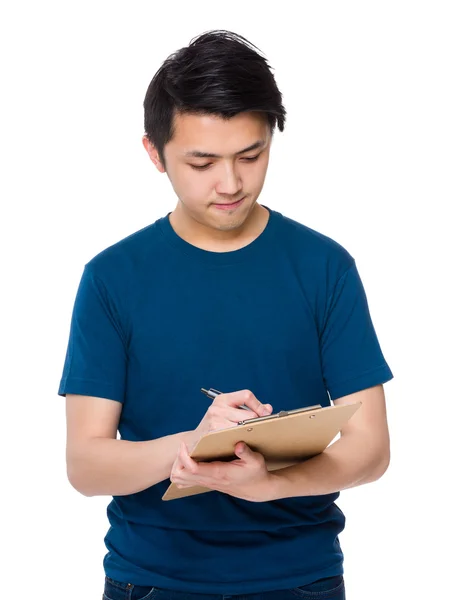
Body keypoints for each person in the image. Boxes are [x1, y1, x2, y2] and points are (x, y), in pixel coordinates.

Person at [59, 30, 393, 600]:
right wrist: (193, 442)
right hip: (152, 582)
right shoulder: (113, 277)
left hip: (302, 579)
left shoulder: (325, 267)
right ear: (153, 153)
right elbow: (86, 466)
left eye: (251, 155)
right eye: (202, 161)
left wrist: (270, 485)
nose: (232, 183)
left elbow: (371, 449)